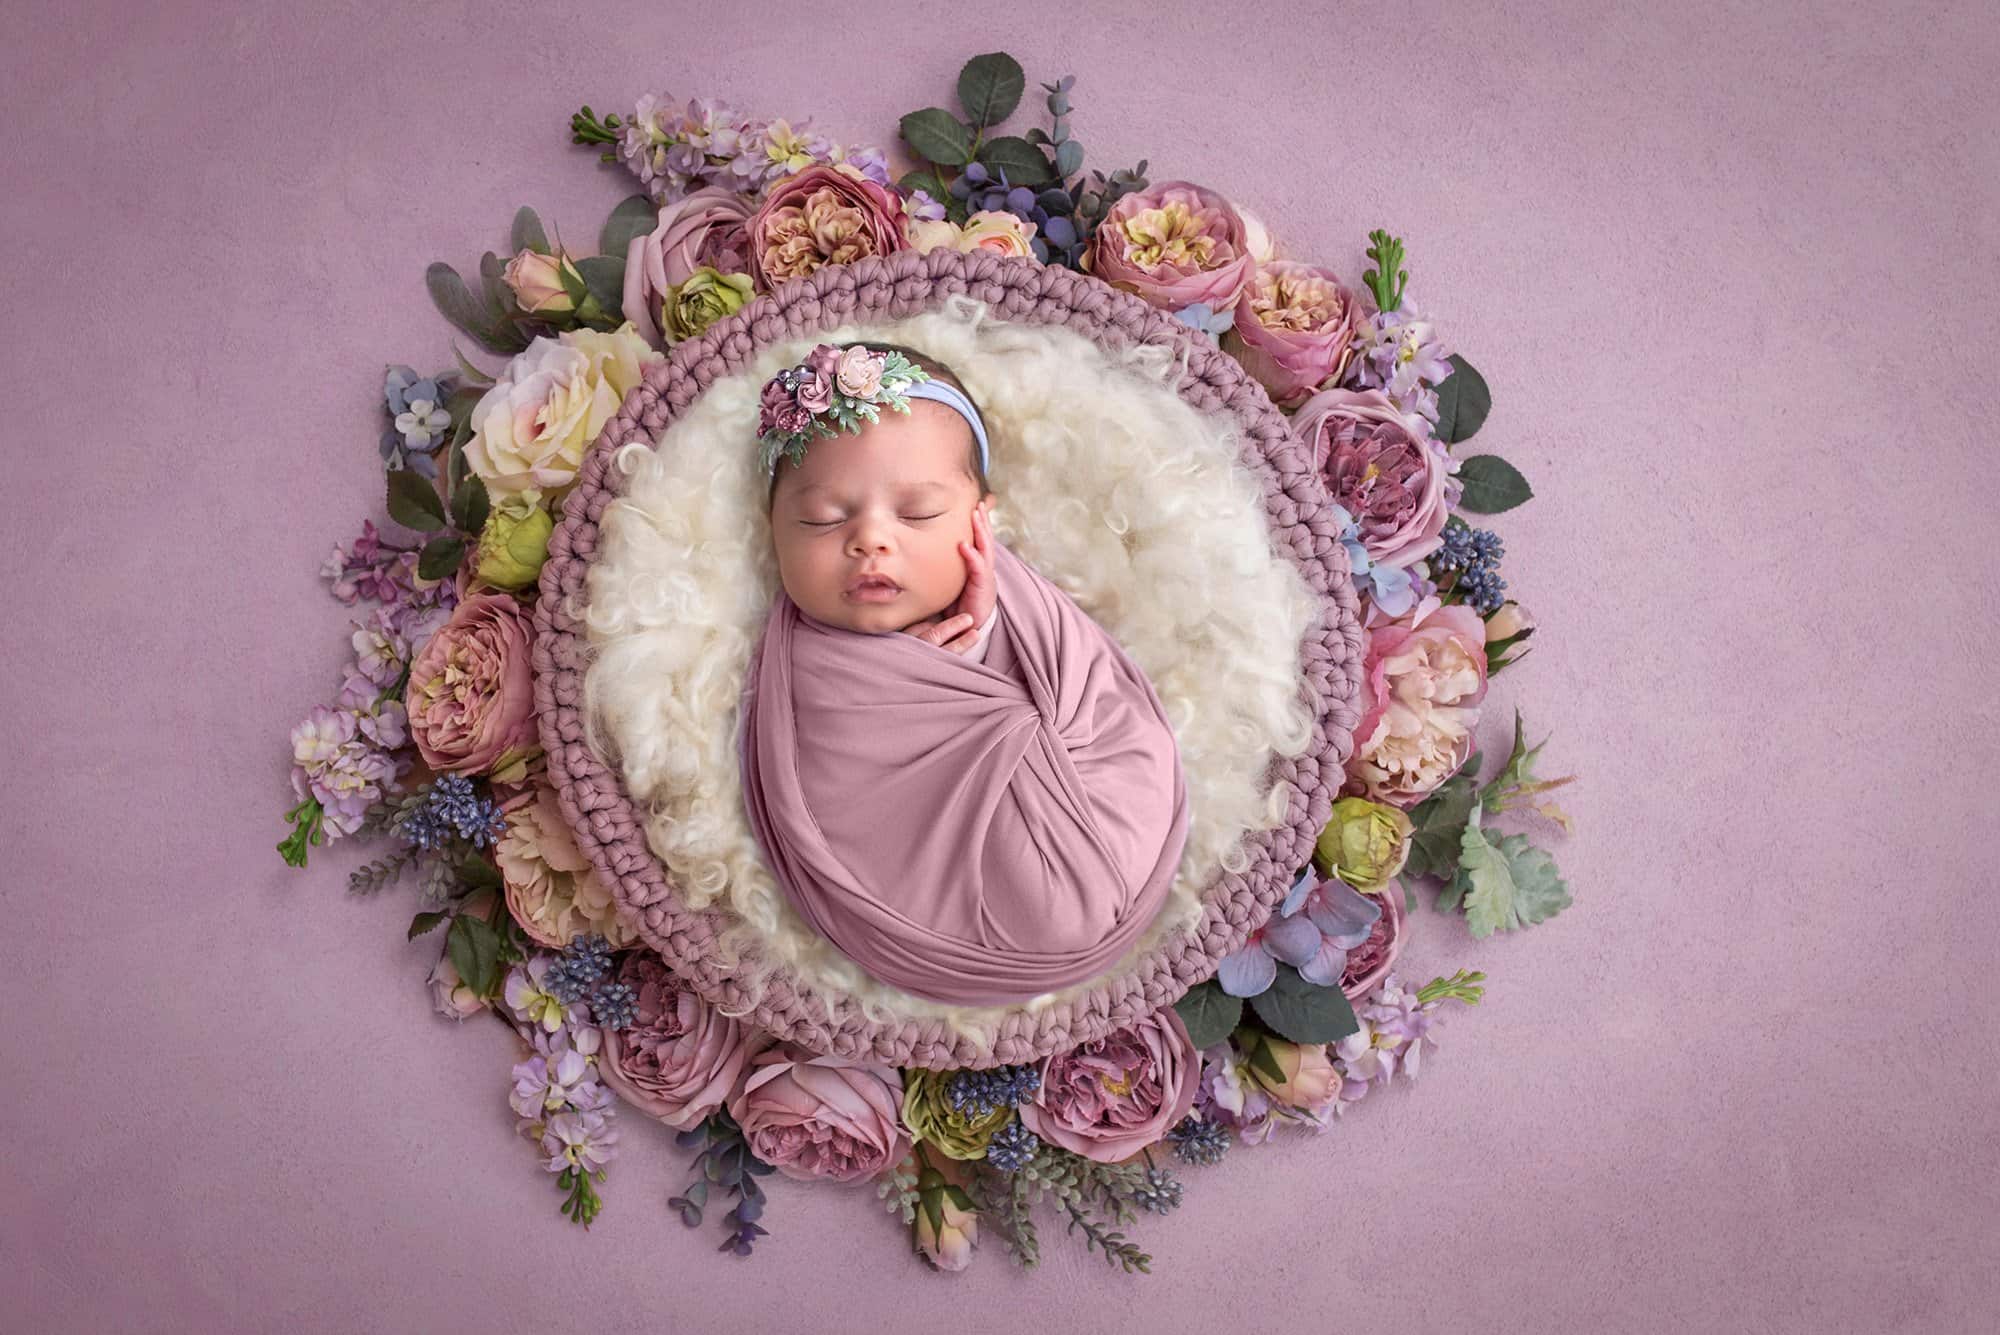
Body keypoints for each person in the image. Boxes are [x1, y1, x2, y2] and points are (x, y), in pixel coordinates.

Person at [739, 340, 1190, 1007]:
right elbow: (837, 781)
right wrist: (919, 679)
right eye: (822, 519)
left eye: (918, 513)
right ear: (773, 531)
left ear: (982, 520)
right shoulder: (810, 664)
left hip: (1096, 825)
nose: (871, 540)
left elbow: (1088, 698)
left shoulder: (1020, 607)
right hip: (930, 895)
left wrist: (983, 638)